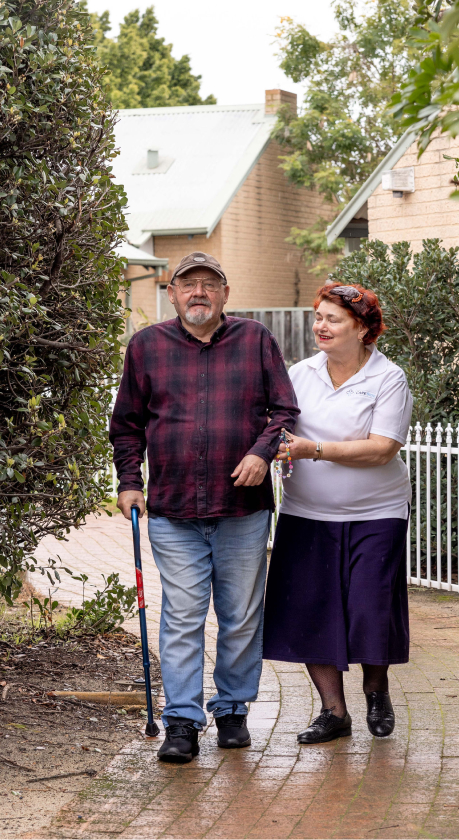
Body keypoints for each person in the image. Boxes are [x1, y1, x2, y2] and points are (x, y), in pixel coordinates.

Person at [110, 252, 299, 763]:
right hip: (173, 512)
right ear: (171, 295)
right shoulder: (146, 347)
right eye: (187, 284)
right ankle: (183, 722)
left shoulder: (255, 339)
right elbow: (126, 423)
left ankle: (233, 710)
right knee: (183, 617)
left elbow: (285, 410)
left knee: (239, 617)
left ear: (224, 294)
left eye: (208, 285)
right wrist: (130, 482)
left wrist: (262, 453)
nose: (198, 292)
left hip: (242, 510)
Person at [263, 282, 412, 745]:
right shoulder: (300, 373)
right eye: (319, 316)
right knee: (311, 609)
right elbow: (277, 425)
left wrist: (314, 449)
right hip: (307, 513)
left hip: (377, 512)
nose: (320, 326)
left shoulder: (388, 378)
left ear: (363, 329)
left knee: (370, 606)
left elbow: (383, 449)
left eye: (333, 319)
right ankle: (333, 712)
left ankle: (376, 687)